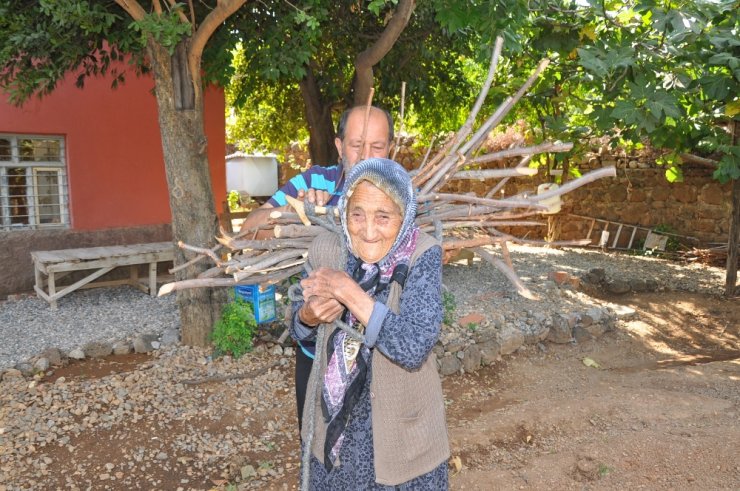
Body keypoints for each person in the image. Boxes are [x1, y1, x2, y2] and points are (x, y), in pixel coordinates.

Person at [291, 158, 449, 489]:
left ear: (404, 217)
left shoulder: (422, 255)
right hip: (334, 427)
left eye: (383, 217)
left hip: (399, 434)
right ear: (345, 211)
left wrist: (350, 293)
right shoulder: (328, 249)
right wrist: (308, 315)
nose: (368, 229)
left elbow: (413, 345)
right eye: (357, 214)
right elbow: (296, 327)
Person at [240, 105, 395, 433]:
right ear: (339, 147)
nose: (366, 156)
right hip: (316, 350)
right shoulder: (315, 181)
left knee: (379, 460)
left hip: (381, 354)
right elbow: (248, 230)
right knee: (317, 453)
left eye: (377, 147)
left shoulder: (403, 195)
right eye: (356, 145)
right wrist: (301, 212)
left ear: (391, 150)